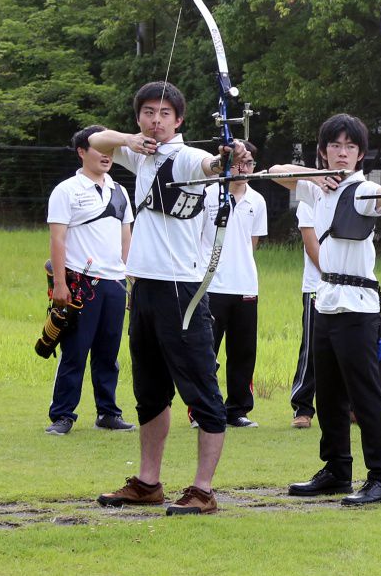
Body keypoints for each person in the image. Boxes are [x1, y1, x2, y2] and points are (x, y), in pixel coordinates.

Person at [88, 81, 252, 515]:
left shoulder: (185, 157)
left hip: (183, 293)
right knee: (149, 392)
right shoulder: (137, 152)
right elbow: (92, 138)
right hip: (142, 287)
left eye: (164, 114)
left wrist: (224, 160)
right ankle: (147, 481)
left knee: (201, 391)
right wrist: (129, 141)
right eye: (148, 112)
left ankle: (203, 490)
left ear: (179, 121)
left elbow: (209, 165)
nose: (155, 120)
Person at [270, 113, 381, 506]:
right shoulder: (315, 189)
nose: (341, 153)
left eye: (349, 146)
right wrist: (313, 176)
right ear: (323, 151)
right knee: (328, 395)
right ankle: (336, 470)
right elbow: (274, 171)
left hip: (357, 308)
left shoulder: (363, 190)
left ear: (360, 154)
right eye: (335, 145)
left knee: (364, 395)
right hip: (325, 303)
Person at [43, 125, 134, 435]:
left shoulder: (120, 191)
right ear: (82, 152)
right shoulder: (66, 190)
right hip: (81, 283)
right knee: (75, 352)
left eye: (110, 151)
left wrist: (130, 280)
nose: (106, 156)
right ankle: (63, 415)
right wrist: (59, 283)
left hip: (114, 283)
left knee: (108, 354)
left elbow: (127, 239)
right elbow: (57, 239)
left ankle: (108, 413)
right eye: (99, 149)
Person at [200, 140, 267, 429]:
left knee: (242, 351)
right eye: (238, 162)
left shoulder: (257, 200)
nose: (243, 167)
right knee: (205, 349)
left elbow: (251, 244)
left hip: (245, 285)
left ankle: (237, 409)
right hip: (211, 285)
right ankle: (201, 408)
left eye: (248, 162)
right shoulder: (208, 194)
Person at [289, 164, 322, 429]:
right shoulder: (310, 196)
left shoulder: (358, 192)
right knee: (312, 347)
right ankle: (303, 407)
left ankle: (351, 406)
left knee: (351, 350)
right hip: (317, 286)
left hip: (353, 290)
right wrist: (334, 275)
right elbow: (312, 245)